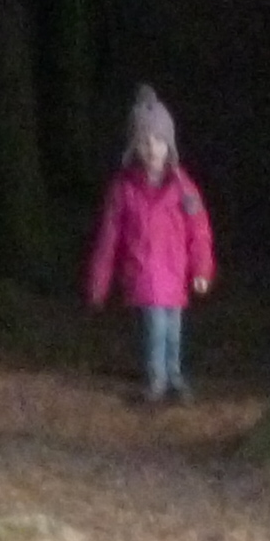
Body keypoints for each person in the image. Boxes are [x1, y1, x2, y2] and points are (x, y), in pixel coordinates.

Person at [85, 88, 215, 403]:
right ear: (134, 147)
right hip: (142, 272)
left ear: (169, 145)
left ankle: (174, 375)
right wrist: (98, 282)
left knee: (173, 328)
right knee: (155, 326)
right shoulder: (124, 189)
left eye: (158, 141)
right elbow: (108, 238)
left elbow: (199, 231)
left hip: (175, 273)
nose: (152, 148)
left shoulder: (183, 187)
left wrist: (202, 269)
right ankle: (156, 378)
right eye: (144, 142)